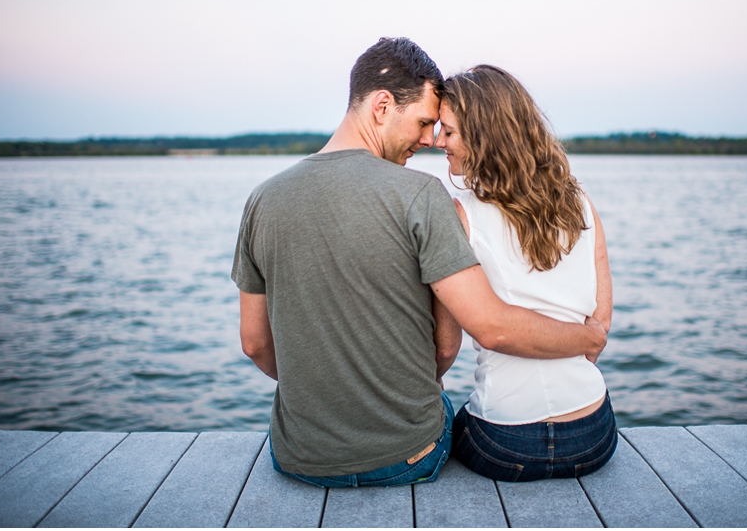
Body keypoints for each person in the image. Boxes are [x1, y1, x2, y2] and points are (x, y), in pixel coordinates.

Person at [231, 38, 607, 488]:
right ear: (382, 105)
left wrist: (318, 389)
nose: (430, 140)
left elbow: (254, 343)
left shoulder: (261, 200)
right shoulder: (424, 196)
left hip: (298, 455)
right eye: (426, 122)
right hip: (412, 456)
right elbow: (447, 349)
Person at [434, 64, 618, 482]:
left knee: (447, 421)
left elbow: (447, 345)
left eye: (449, 131)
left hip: (505, 444)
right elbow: (599, 325)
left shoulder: (459, 215)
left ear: (483, 136)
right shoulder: (580, 204)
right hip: (595, 435)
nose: (437, 141)